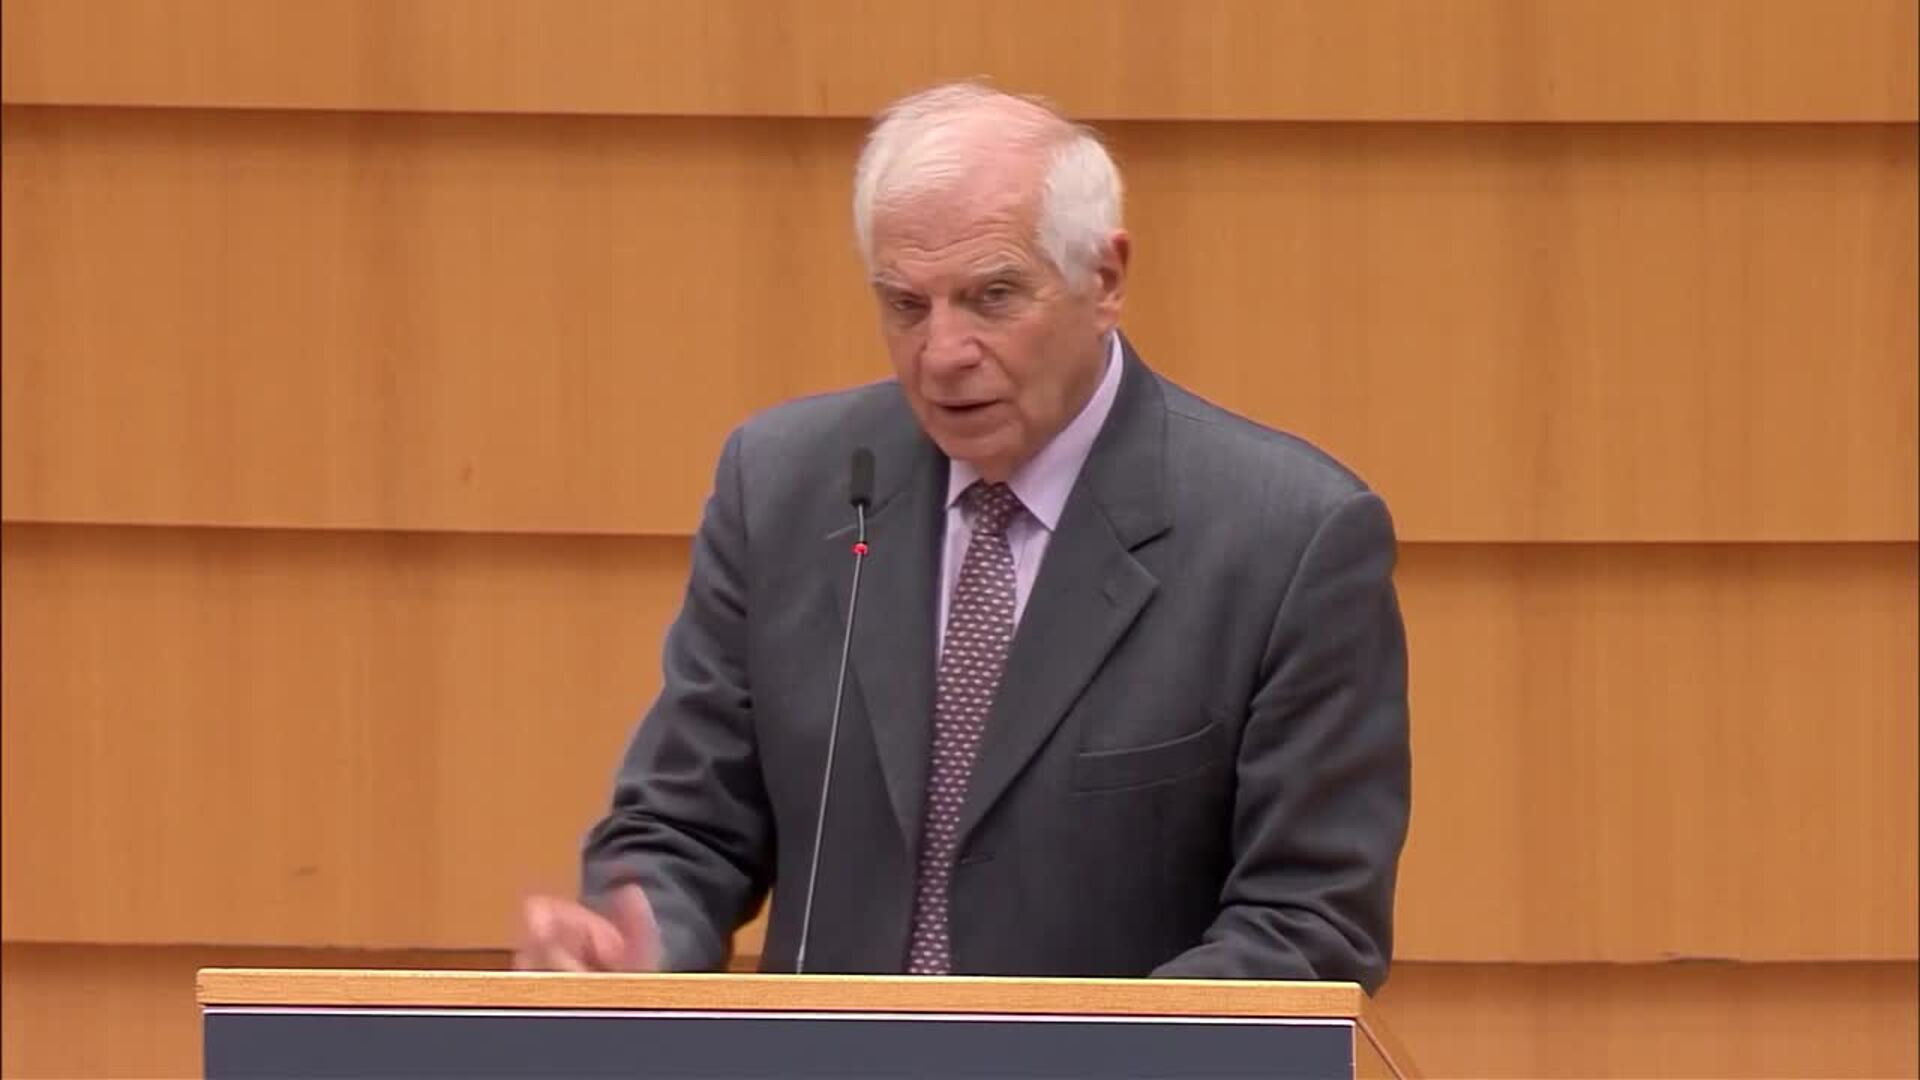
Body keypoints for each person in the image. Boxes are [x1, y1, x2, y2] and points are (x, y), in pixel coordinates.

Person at [516, 82, 1411, 991]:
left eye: (992, 297)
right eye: (907, 305)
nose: (943, 353)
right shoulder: (785, 487)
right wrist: (638, 945)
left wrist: (1080, 1054)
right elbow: (685, 825)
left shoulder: (1287, 539)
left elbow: (1308, 924)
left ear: (1104, 280)